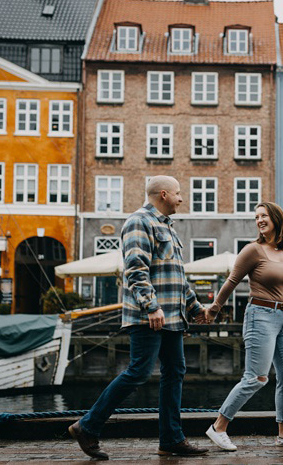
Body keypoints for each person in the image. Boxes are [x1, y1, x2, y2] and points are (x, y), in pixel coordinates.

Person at [69, 176, 210, 459]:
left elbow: (177, 276)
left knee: (175, 372)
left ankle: (171, 439)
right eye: (178, 193)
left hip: (171, 317)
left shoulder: (168, 227)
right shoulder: (139, 222)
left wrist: (194, 308)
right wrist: (151, 306)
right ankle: (87, 426)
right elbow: (135, 269)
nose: (181, 199)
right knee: (139, 372)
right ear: (163, 194)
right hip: (150, 316)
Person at [202, 201, 283, 450]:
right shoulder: (253, 250)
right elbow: (231, 281)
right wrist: (214, 309)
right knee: (256, 378)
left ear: (276, 219)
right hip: (260, 315)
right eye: (256, 217)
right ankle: (218, 427)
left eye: (264, 216)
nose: (259, 220)